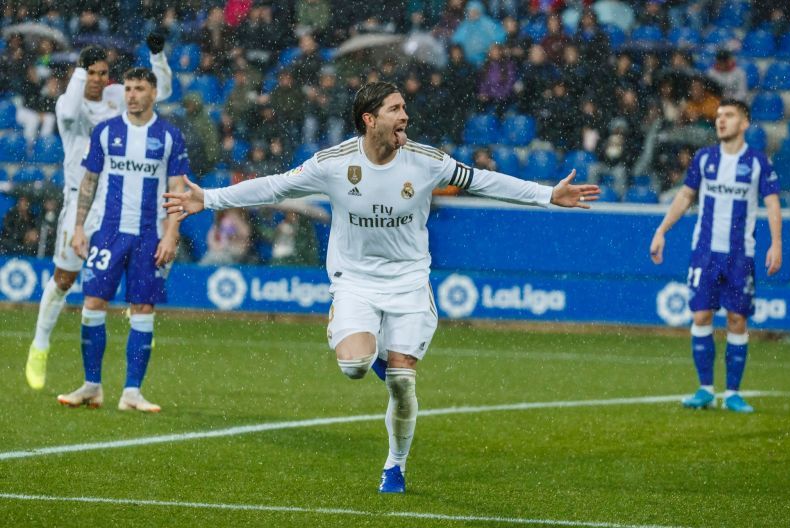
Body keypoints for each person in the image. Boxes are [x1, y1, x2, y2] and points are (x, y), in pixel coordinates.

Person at [163, 81, 599, 492]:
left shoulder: (426, 161)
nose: (405, 116)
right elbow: (276, 186)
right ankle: (363, 344)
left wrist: (546, 195)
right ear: (369, 119)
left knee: (403, 384)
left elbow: (484, 181)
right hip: (354, 282)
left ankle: (396, 464)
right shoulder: (334, 164)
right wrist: (211, 198)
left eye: (404, 108)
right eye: (395, 109)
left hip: (409, 283)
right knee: (355, 366)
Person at [25, 34, 172, 391]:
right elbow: (74, 109)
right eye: (90, 72)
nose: (97, 78)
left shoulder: (114, 97)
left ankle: (121, 361)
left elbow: (160, 91)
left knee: (120, 288)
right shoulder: (67, 105)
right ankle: (40, 343)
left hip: (116, 202)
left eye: (102, 72)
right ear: (80, 73)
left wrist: (157, 57)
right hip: (80, 199)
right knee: (64, 278)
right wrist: (79, 70)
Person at [56, 67, 188, 413]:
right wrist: (80, 228)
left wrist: (171, 234)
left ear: (153, 93)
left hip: (149, 235)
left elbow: (177, 190)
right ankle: (91, 385)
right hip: (108, 231)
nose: (130, 94)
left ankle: (132, 392)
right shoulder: (106, 131)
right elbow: (89, 182)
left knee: (143, 309)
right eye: (127, 88)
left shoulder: (169, 136)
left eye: (139, 88)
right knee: (92, 303)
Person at [649, 99, 782, 414]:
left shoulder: (758, 162)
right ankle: (706, 389)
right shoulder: (705, 158)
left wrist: (776, 242)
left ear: (744, 122)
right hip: (705, 252)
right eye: (719, 116)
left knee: (737, 319)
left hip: (740, 254)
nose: (721, 121)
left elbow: (773, 202)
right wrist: (662, 230)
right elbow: (685, 195)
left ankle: (733, 393)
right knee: (701, 316)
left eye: (729, 115)